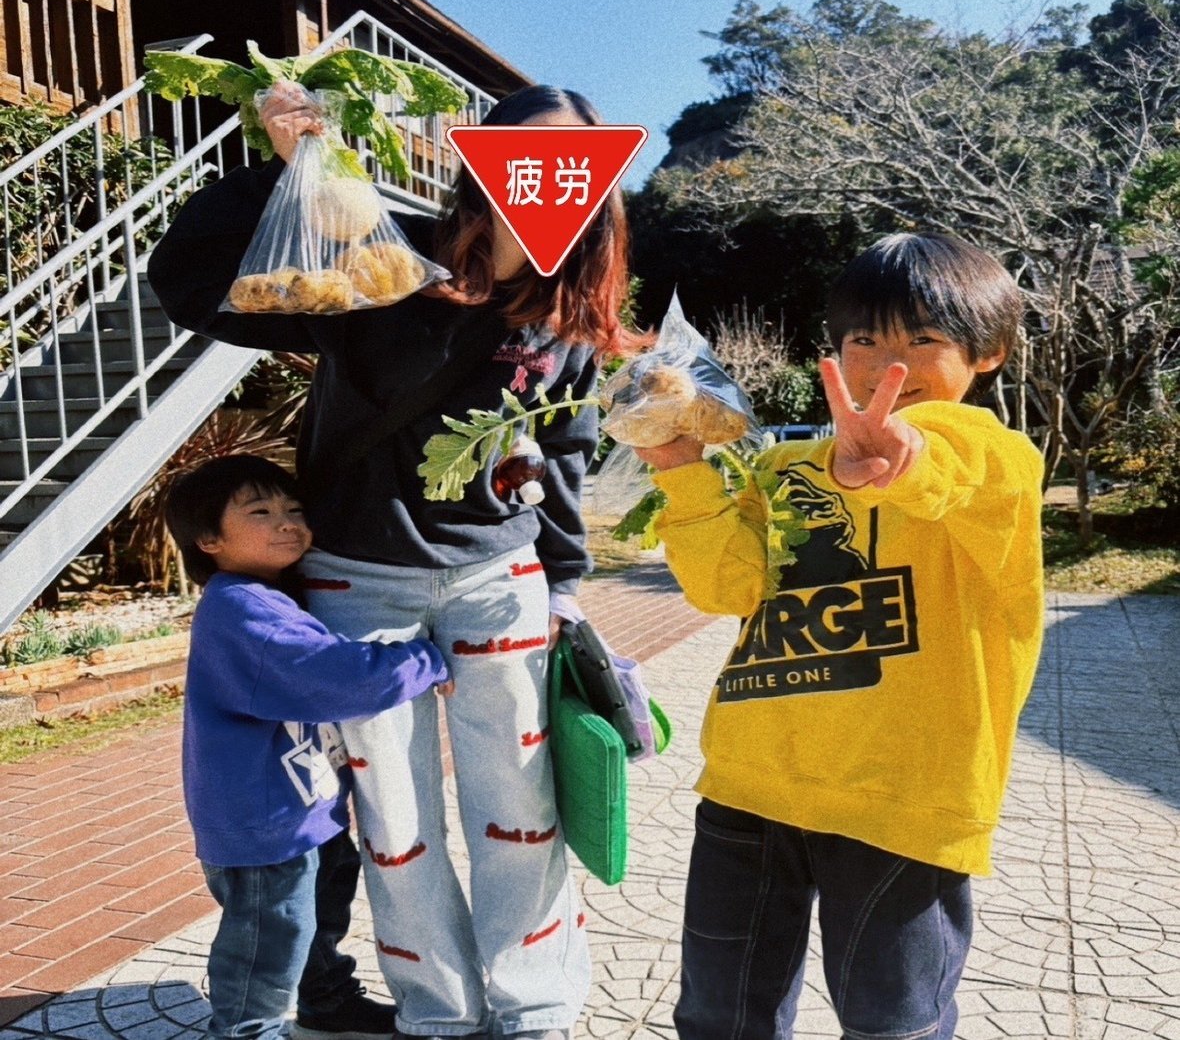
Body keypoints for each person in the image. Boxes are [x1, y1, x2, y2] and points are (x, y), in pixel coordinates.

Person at [148, 83, 646, 1040]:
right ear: (487, 159)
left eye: (575, 159)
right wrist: (282, 174)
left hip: (498, 580)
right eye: (529, 151)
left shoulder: (569, 301)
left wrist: (567, 583)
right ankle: (439, 1012)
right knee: (394, 815)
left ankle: (534, 1006)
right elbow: (192, 284)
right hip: (357, 580)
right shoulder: (384, 252)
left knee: (521, 802)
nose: (550, 173)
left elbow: (565, 451)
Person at [635, 233, 1045, 1040]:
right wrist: (681, 467)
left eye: (923, 339)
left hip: (902, 803)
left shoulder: (999, 460)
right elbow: (727, 589)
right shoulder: (789, 470)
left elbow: (947, 465)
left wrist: (903, 456)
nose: (890, 362)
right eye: (865, 339)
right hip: (750, 785)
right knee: (718, 1016)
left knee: (891, 1024)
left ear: (988, 352)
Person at [164, 454, 451, 1040]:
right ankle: (247, 1029)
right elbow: (333, 678)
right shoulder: (240, 609)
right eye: (260, 512)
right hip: (262, 819)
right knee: (268, 938)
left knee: (317, 915)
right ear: (209, 539)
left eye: (294, 509)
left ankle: (326, 1002)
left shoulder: (274, 594)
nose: (287, 522)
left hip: (304, 807)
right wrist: (425, 658)